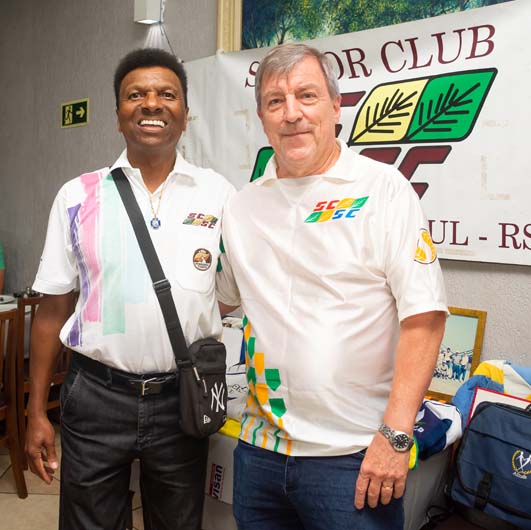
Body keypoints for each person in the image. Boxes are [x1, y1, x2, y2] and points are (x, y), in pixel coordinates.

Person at [216, 43, 447, 530]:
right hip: (259, 451)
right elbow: (216, 300)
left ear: (336, 107)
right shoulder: (241, 206)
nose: (292, 113)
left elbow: (424, 318)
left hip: (354, 456)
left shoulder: (382, 189)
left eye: (307, 96)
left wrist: (396, 436)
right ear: (262, 118)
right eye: (275, 101)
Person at [26, 48, 235, 530]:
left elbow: (226, 293)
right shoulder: (78, 195)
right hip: (95, 395)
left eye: (167, 94)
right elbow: (52, 312)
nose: (151, 104)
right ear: (118, 114)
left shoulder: (218, 194)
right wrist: (36, 410)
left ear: (185, 112)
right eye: (135, 95)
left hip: (181, 397)